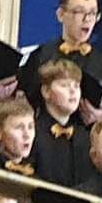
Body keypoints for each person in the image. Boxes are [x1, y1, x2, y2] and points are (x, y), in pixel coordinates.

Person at [21, 0, 102, 122]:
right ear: (60, 14)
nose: (87, 19)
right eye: (79, 12)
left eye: (92, 13)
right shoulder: (40, 56)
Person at [29, 59, 90, 187]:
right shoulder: (32, 133)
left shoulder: (84, 136)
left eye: (76, 86)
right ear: (46, 91)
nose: (73, 91)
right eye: (64, 85)